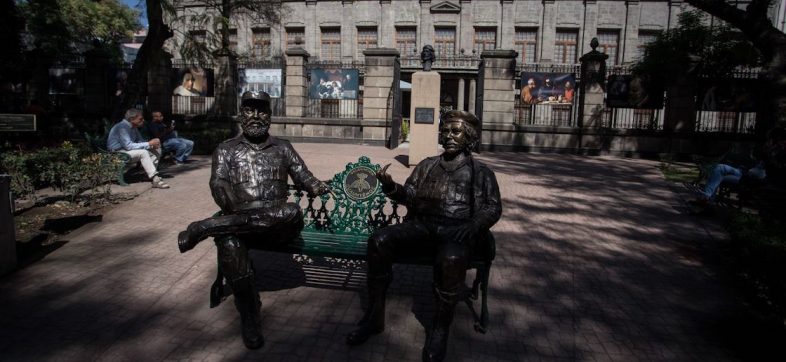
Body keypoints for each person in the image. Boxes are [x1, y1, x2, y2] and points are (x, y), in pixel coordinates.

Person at [177, 91, 331, 350]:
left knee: (292, 211)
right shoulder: (226, 150)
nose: (256, 117)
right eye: (249, 110)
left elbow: (304, 176)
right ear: (240, 115)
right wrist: (233, 209)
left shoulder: (283, 147)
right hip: (241, 223)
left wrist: (317, 185)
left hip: (279, 226)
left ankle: (204, 227)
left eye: (262, 111)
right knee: (228, 244)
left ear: (270, 116)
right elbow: (219, 184)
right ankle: (249, 316)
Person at [346, 110, 502, 362]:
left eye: (456, 131)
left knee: (450, 259)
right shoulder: (427, 165)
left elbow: (493, 207)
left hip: (456, 232)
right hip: (423, 226)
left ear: (469, 137)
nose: (448, 136)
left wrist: (473, 225)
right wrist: (389, 187)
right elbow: (409, 196)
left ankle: (439, 331)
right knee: (379, 241)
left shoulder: (480, 172)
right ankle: (374, 317)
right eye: (446, 130)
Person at [692, 127, 786, 206]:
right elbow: (755, 157)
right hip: (744, 172)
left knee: (717, 174)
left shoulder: (780, 153)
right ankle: (706, 199)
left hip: (753, 179)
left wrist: (770, 153)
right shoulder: (768, 149)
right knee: (719, 168)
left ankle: (706, 201)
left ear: (777, 139)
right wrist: (767, 150)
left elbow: (771, 171)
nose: (768, 141)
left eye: (770, 139)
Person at [107, 108, 170, 189]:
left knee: (156, 149)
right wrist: (149, 143)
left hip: (126, 150)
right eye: (140, 119)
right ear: (132, 119)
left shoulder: (134, 127)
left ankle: (148, 174)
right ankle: (155, 179)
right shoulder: (122, 127)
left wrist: (152, 145)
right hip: (117, 153)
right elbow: (128, 146)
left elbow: (141, 141)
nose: (143, 120)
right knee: (143, 152)